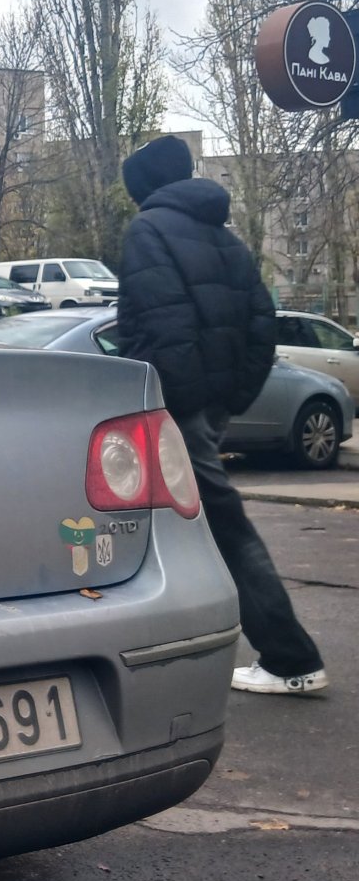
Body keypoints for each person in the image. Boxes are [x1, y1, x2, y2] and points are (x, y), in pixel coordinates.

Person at [115, 134, 328, 694]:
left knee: (221, 524)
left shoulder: (147, 232)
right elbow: (263, 323)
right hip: (207, 406)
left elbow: (157, 329)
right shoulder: (224, 239)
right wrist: (229, 398)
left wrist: (171, 400)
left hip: (174, 407)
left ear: (143, 189)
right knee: (174, 521)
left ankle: (290, 657)